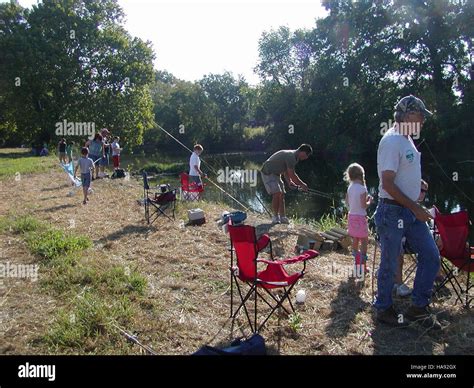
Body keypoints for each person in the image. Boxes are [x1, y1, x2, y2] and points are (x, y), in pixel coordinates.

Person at [374, 95, 442, 330]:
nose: (423, 119)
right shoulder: (392, 141)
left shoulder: (407, 139)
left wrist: (416, 182)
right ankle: (383, 308)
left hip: (410, 212)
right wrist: (415, 206)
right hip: (393, 211)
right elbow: (388, 184)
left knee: (432, 256)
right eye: (419, 115)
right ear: (406, 115)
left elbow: (401, 173)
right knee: (390, 263)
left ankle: (417, 307)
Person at [260, 144, 312, 224]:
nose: (306, 157)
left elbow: (286, 171)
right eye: (306, 155)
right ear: (302, 151)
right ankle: (275, 217)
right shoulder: (291, 156)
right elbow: (292, 174)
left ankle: (283, 217)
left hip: (277, 174)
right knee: (277, 193)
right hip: (268, 172)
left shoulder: (295, 158)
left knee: (282, 194)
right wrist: (302, 184)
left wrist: (289, 182)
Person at [344, 163, 372, 278]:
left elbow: (346, 202)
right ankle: (363, 266)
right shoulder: (362, 188)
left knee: (355, 239)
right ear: (361, 175)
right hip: (361, 218)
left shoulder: (350, 187)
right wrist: (369, 201)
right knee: (364, 241)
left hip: (351, 217)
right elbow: (363, 205)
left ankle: (356, 263)